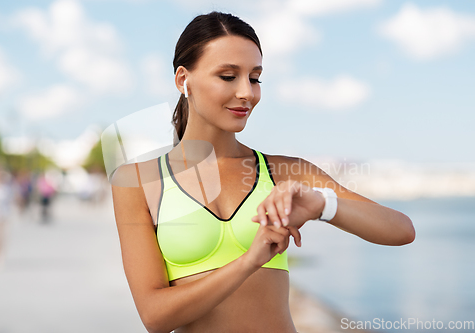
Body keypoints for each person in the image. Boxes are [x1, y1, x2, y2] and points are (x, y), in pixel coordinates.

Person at [111, 11, 415, 333]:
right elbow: (155, 317)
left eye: (255, 78)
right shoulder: (138, 183)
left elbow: (400, 230)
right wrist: (248, 262)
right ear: (183, 79)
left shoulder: (285, 171)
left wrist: (321, 205)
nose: (247, 93)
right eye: (228, 76)